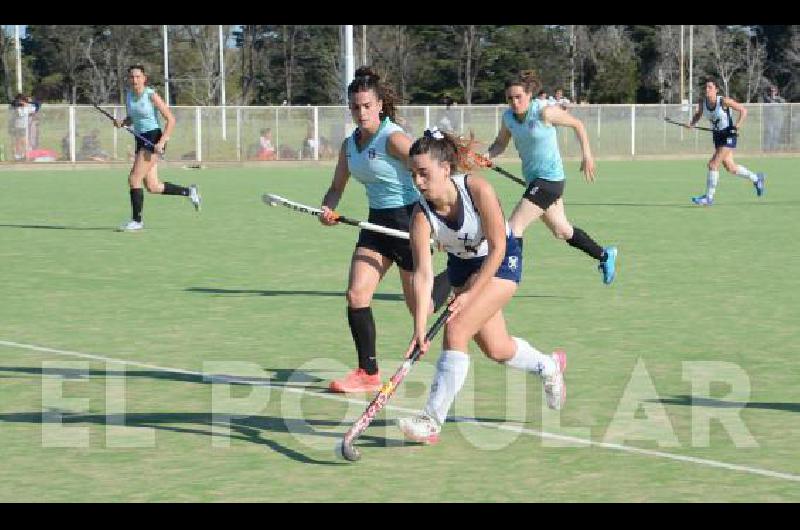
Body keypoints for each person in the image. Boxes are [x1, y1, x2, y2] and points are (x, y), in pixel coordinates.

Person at [396, 128, 567, 444]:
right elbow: (422, 275)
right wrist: (419, 327)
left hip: (500, 260)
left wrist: (472, 294)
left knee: (456, 328)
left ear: (445, 169)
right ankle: (549, 366)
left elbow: (500, 247)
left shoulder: (477, 190)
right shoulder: (420, 217)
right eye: (413, 174)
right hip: (462, 268)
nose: (417, 182)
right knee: (496, 348)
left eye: (424, 173)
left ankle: (431, 420)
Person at [319, 66, 451, 393]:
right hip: (376, 224)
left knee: (422, 308)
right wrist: (328, 207)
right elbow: (336, 187)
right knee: (356, 294)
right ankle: (368, 372)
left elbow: (429, 170)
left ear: (379, 105)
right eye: (355, 107)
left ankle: (455, 277)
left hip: (409, 222)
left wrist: (439, 220)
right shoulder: (350, 146)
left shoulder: (393, 139)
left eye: (366, 106)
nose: (360, 112)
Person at [485, 70, 618, 285]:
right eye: (510, 98)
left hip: (550, 181)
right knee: (562, 230)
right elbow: (500, 143)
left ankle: (508, 277)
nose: (514, 102)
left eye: (518, 97)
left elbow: (578, 125)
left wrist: (587, 155)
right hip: (533, 181)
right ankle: (604, 255)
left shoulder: (544, 112)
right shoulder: (508, 118)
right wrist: (486, 156)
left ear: (529, 95)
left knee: (514, 226)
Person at [113, 64, 201, 231]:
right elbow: (132, 118)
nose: (134, 80)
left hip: (154, 138)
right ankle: (189, 192)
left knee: (134, 179)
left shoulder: (150, 95)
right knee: (153, 186)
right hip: (140, 139)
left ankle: (137, 221)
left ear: (144, 79)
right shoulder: (129, 96)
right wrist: (122, 122)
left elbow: (171, 119)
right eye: (131, 77)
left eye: (138, 77)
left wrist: (161, 142)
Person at [687, 79, 765, 206]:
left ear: (716, 90)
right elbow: (698, 114)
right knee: (731, 168)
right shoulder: (703, 102)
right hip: (717, 137)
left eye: (710, 87)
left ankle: (709, 198)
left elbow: (743, 110)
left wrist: (737, 126)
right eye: (706, 87)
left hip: (728, 136)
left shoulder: (723, 101)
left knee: (713, 164)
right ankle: (756, 178)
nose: (707, 89)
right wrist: (691, 124)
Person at [761, 85, 786, 152]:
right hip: (769, 119)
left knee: (776, 135)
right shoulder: (767, 98)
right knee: (769, 133)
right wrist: (774, 99)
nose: (772, 92)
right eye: (771, 91)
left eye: (774, 91)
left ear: (776, 91)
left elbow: (784, 102)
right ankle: (766, 149)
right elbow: (769, 101)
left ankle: (774, 149)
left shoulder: (780, 99)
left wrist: (776, 98)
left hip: (778, 120)